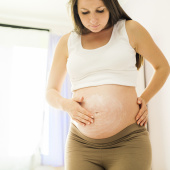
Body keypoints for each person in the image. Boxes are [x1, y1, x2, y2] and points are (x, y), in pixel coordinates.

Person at [45, 0, 170, 169]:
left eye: (100, 10)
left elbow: (162, 67)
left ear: (111, 6)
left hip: (128, 142)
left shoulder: (129, 30)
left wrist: (144, 99)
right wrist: (66, 105)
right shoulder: (67, 42)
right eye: (85, 12)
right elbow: (51, 91)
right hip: (81, 145)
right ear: (76, 12)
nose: (93, 19)